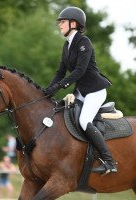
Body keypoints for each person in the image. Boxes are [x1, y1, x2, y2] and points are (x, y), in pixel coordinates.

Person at [43, 7, 117, 175]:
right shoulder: (66, 45)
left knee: (84, 121)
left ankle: (109, 160)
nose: (59, 25)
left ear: (73, 23)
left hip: (95, 91)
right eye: (59, 22)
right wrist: (47, 90)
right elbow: (60, 72)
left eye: (62, 22)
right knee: (61, 112)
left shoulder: (84, 42)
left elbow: (79, 71)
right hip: (82, 91)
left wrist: (59, 86)